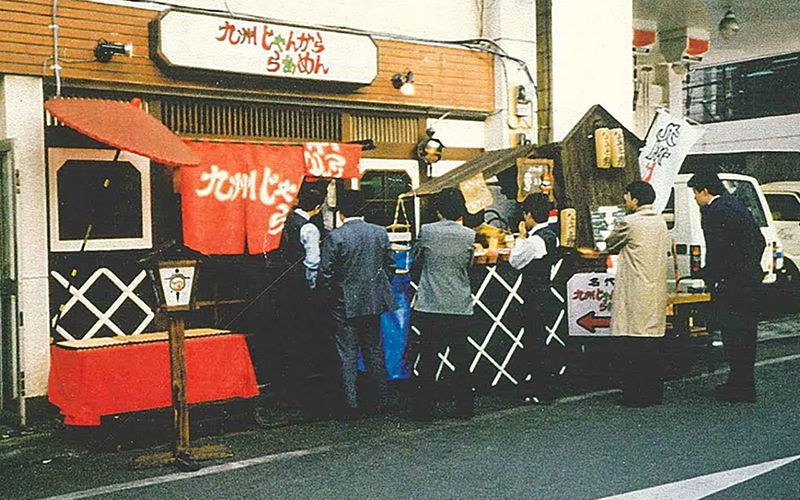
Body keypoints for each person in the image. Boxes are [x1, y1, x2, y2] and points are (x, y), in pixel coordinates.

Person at [319, 189, 396, 418]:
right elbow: (390, 265)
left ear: (341, 212)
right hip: (373, 300)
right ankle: (381, 399)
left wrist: (331, 295)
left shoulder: (336, 237)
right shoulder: (380, 233)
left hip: (344, 302)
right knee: (374, 351)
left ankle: (350, 403)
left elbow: (326, 273)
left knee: (347, 353)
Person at [688, 170, 764, 403]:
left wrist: (709, 275)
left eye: (695, 193)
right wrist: (750, 266)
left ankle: (739, 387)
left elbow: (717, 251)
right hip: (750, 280)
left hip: (731, 284)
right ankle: (743, 383)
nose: (695, 198)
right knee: (747, 334)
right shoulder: (737, 206)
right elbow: (759, 241)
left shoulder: (714, 212)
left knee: (732, 334)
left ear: (704, 191)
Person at [410, 188, 477, 420]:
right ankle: (464, 406)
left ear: (438, 210)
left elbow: (417, 258)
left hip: (431, 303)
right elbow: (469, 264)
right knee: (461, 357)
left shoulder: (427, 231)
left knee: (429, 357)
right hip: (459, 303)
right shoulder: (469, 235)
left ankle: (425, 408)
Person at [604, 181, 669, 407]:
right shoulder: (660, 222)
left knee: (632, 343)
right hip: (655, 288)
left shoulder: (629, 222)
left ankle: (635, 394)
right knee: (652, 342)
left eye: (628, 196)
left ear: (635, 199)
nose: (625, 199)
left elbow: (610, 242)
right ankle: (654, 393)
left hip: (635, 290)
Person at [274, 182, 331, 408]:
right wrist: (314, 288)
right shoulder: (309, 228)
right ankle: (304, 390)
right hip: (301, 288)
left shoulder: (286, 221)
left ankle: (288, 387)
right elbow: (312, 262)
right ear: (317, 207)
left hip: (284, 284)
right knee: (304, 336)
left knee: (287, 336)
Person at [509, 193, 559, 403]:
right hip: (545, 291)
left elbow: (515, 261)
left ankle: (541, 388)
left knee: (534, 341)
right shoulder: (551, 236)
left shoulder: (535, 240)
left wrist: (521, 237)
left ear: (529, 215)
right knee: (539, 339)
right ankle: (542, 387)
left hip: (533, 294)